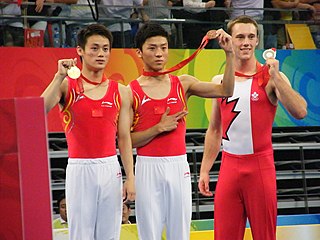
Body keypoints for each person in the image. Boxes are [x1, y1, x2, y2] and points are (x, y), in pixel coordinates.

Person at [198, 15, 307, 240]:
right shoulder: (220, 80)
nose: (245, 42)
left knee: (265, 236)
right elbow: (215, 129)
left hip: (260, 168)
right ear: (230, 40)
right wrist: (205, 169)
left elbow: (300, 111)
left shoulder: (271, 76)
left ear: (258, 41)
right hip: (229, 167)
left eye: (250, 36)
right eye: (240, 37)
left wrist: (276, 76)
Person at [129, 22, 234, 240]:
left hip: (178, 166)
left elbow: (226, 90)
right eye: (152, 48)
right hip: (147, 167)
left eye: (164, 47)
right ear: (139, 52)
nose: (159, 53)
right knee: (149, 234)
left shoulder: (183, 83)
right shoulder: (130, 91)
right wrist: (158, 128)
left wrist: (229, 54)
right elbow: (125, 141)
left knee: (181, 233)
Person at [41, 23, 135, 240]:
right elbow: (38, 110)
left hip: (110, 167)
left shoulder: (120, 91)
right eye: (94, 48)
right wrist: (58, 77)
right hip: (80, 168)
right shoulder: (67, 86)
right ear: (80, 51)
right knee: (80, 234)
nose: (100, 54)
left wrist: (131, 176)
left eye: (105, 48)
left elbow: (124, 138)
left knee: (109, 234)